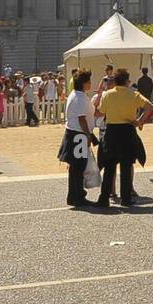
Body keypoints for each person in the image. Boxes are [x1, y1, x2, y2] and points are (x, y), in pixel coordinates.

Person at [94, 68, 151, 209]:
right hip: (127, 130)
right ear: (126, 81)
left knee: (109, 167)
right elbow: (149, 106)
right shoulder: (133, 94)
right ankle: (126, 198)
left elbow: (100, 112)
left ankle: (104, 198)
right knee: (126, 166)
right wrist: (139, 121)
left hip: (112, 131)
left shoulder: (108, 94)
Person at [59, 71, 95, 207]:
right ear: (84, 83)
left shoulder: (76, 95)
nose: (90, 84)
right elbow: (82, 119)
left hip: (74, 134)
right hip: (79, 135)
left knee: (75, 167)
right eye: (89, 81)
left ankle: (73, 195)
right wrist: (88, 134)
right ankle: (78, 195)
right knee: (79, 167)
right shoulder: (79, 97)